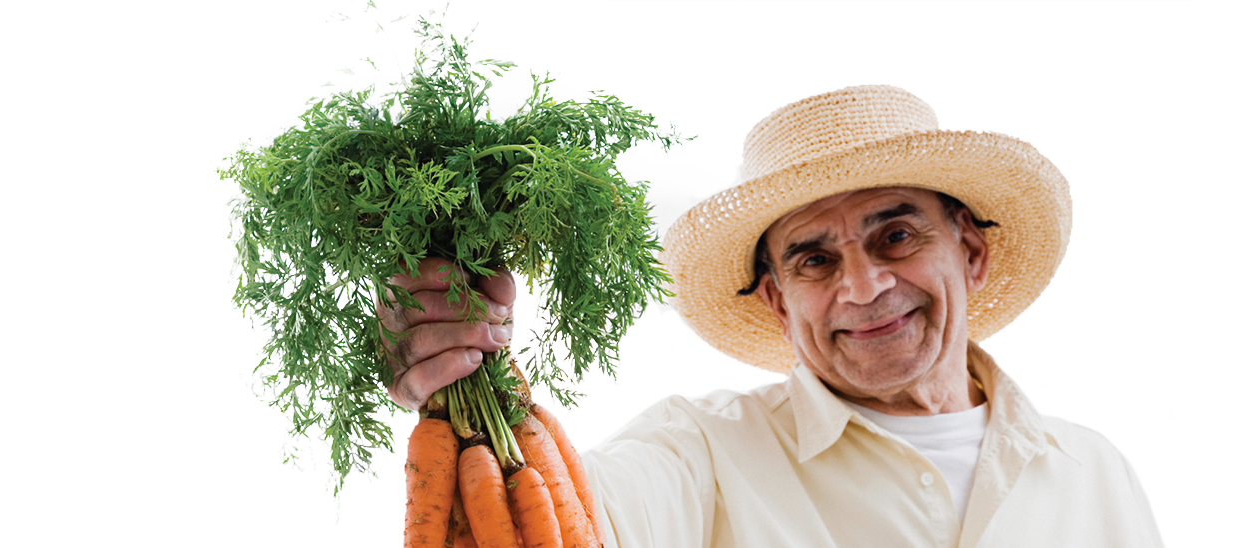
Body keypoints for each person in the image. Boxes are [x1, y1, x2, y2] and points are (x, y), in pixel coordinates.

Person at [380, 84, 1162, 547]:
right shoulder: (706, 450)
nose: (862, 286)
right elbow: (595, 513)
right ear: (779, 301)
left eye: (896, 235)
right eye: (814, 260)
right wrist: (471, 361)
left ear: (972, 252)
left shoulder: (1088, 466)